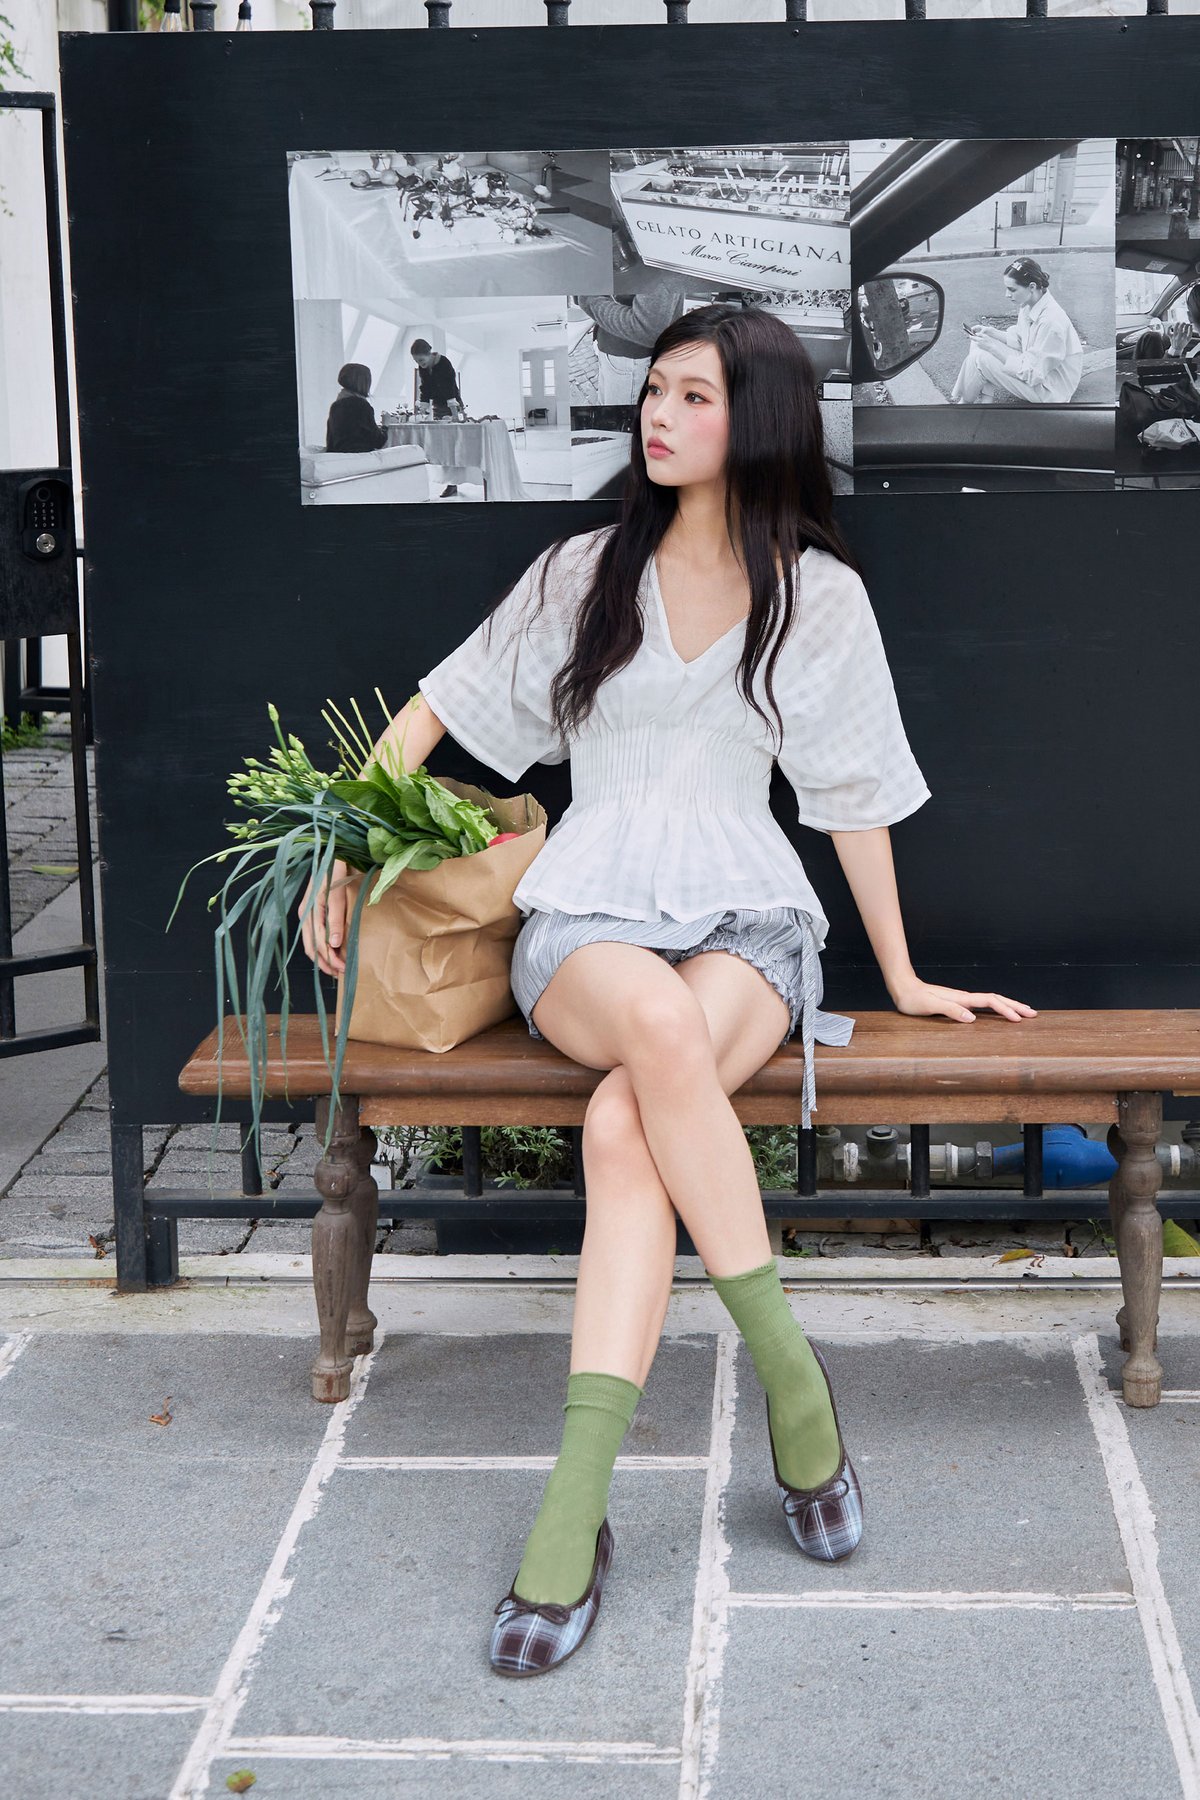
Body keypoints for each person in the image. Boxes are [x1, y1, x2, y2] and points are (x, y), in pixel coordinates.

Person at [301, 303, 1038, 1679]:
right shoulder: (582, 570)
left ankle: (573, 1510)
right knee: (647, 1026)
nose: (659, 413)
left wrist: (901, 973)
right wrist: (336, 845)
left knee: (622, 1123)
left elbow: (855, 800)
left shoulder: (818, 596)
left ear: (760, 418)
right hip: (583, 920)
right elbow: (436, 709)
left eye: (695, 395)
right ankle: (792, 1376)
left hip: (750, 925)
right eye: (655, 390)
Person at [950, 257, 1083, 405]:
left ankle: (964, 405)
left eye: (1012, 289)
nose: (1007, 294)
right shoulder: (1030, 303)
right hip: (1037, 370)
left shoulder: (1051, 321)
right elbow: (1020, 340)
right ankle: (984, 399)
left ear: (1032, 287)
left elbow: (1033, 374)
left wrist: (993, 348)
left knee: (980, 357)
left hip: (1052, 389)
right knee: (979, 340)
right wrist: (991, 332)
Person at [409, 337, 470, 498]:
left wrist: (455, 414)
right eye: (417, 361)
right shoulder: (423, 367)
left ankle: (453, 483)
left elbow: (450, 389)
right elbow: (425, 388)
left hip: (452, 405)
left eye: (421, 360)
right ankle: (450, 482)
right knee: (443, 446)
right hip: (438, 406)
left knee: (453, 445)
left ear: (429, 354)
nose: (420, 364)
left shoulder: (444, 363)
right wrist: (422, 409)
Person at [324, 362, 388, 453]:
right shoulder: (362, 406)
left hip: (339, 457)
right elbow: (378, 441)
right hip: (360, 457)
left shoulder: (335, 406)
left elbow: (330, 441)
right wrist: (385, 425)